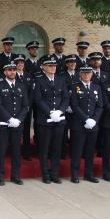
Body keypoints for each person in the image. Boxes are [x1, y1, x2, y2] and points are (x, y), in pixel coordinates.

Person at [32, 56, 69, 184]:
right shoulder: (39, 81)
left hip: (59, 119)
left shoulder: (61, 80)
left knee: (56, 148)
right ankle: (46, 174)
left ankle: (54, 173)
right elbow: (38, 99)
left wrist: (60, 111)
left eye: (54, 65)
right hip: (45, 120)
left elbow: (65, 98)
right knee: (44, 149)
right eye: (50, 65)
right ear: (43, 67)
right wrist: (49, 112)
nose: (53, 67)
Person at [0, 62, 29, 185]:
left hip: (17, 125)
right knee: (1, 152)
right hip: (3, 124)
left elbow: (25, 106)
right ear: (4, 72)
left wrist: (18, 119)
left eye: (14, 70)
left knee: (16, 151)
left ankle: (15, 176)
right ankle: (1, 176)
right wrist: (9, 119)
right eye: (9, 70)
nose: (12, 72)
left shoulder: (21, 86)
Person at [69, 66, 103, 184]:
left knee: (90, 151)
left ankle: (89, 174)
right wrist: (85, 119)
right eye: (84, 73)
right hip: (79, 125)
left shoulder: (96, 87)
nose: (86, 75)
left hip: (93, 125)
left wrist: (94, 120)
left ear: (92, 74)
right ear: (80, 74)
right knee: (77, 151)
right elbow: (74, 105)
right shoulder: (75, 87)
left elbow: (100, 106)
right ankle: (74, 174)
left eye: (89, 73)